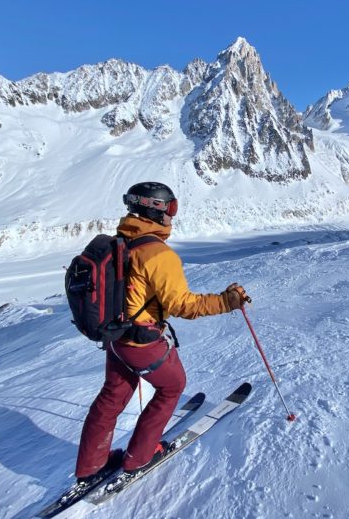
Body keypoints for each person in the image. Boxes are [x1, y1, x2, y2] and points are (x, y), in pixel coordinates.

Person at [75, 181, 248, 485]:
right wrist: (226, 302)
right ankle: (139, 458)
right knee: (172, 387)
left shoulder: (120, 242)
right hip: (142, 342)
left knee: (112, 397)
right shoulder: (157, 254)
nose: (172, 215)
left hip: (115, 338)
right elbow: (182, 305)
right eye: (171, 208)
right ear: (153, 209)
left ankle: (91, 465)